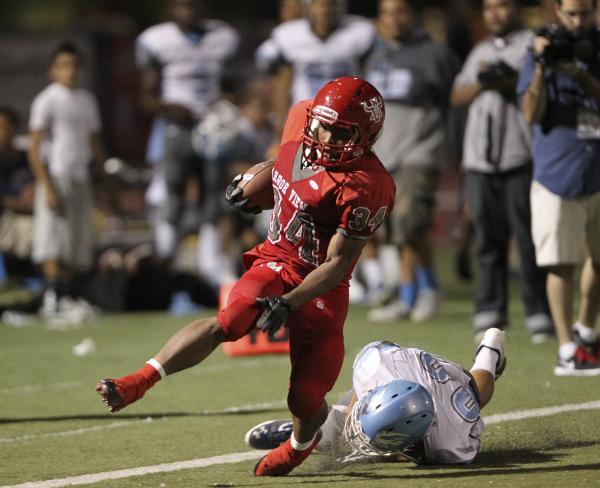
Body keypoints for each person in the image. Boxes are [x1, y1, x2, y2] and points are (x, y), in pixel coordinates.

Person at [96, 77, 396, 476]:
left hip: (321, 280)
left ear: (365, 137)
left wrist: (290, 302)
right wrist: (258, 183)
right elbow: (286, 163)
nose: (322, 136)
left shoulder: (368, 187)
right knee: (231, 319)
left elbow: (338, 264)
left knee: (305, 397)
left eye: (337, 132)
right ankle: (140, 380)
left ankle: (300, 444)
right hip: (276, 258)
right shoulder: (300, 117)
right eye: (320, 125)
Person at [245, 328, 506, 466]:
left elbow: (472, 396)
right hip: (402, 367)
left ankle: (490, 351)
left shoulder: (448, 446)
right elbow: (382, 348)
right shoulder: (375, 365)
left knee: (473, 389)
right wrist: (356, 406)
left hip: (446, 389)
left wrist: (392, 453)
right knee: (347, 424)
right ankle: (309, 431)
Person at [450, 0, 554, 343]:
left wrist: (509, 83)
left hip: (519, 156)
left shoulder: (530, 44)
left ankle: (539, 311)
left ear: (517, 9)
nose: (495, 14)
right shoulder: (480, 49)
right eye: (489, 7)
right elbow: (457, 96)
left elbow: (543, 96)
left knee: (527, 240)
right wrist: (484, 82)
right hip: (480, 160)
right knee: (488, 240)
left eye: (503, 6)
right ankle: (490, 309)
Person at [364, 0, 460, 323]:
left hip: (420, 149)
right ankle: (419, 290)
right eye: (386, 13)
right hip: (385, 152)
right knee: (396, 227)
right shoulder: (376, 54)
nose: (393, 19)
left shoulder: (436, 55)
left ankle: (418, 294)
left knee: (408, 219)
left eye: (400, 11)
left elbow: (455, 101)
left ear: (413, 15)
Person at [518, 0, 600, 375]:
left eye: (585, 12)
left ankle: (585, 329)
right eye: (571, 13)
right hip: (557, 172)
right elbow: (530, 113)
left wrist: (581, 74)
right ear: (557, 10)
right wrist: (541, 67)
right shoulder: (539, 49)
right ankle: (567, 349)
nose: (578, 21)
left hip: (595, 168)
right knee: (561, 263)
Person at [136, 0, 239, 260]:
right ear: (171, 8)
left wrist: (226, 106)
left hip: (213, 128)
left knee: (215, 195)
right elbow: (146, 98)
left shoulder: (222, 37)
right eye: (182, 6)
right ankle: (166, 261)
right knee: (173, 193)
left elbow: (231, 87)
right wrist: (170, 108)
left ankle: (210, 264)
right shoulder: (157, 40)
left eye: (193, 5)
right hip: (177, 127)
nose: (188, 11)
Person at [28, 41, 108, 317]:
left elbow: (94, 141)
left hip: (79, 175)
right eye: (63, 66)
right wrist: (47, 186)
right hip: (56, 174)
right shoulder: (46, 100)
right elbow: (35, 148)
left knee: (76, 238)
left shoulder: (87, 100)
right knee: (53, 237)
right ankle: (52, 297)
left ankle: (69, 296)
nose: (70, 71)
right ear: (52, 70)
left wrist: (105, 174)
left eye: (74, 66)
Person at [255, 0, 376, 140]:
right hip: (305, 117)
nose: (325, 10)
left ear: (340, 7)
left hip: (346, 120)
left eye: (331, 4)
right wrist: (281, 125)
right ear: (307, 7)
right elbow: (282, 85)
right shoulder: (289, 35)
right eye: (319, 4)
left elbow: (369, 79)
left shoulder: (360, 32)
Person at [0, 107, 35, 283]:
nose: (3, 133)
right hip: (8, 221)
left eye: (7, 127)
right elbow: (4, 201)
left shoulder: (27, 159)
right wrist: (26, 206)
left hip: (32, 215)